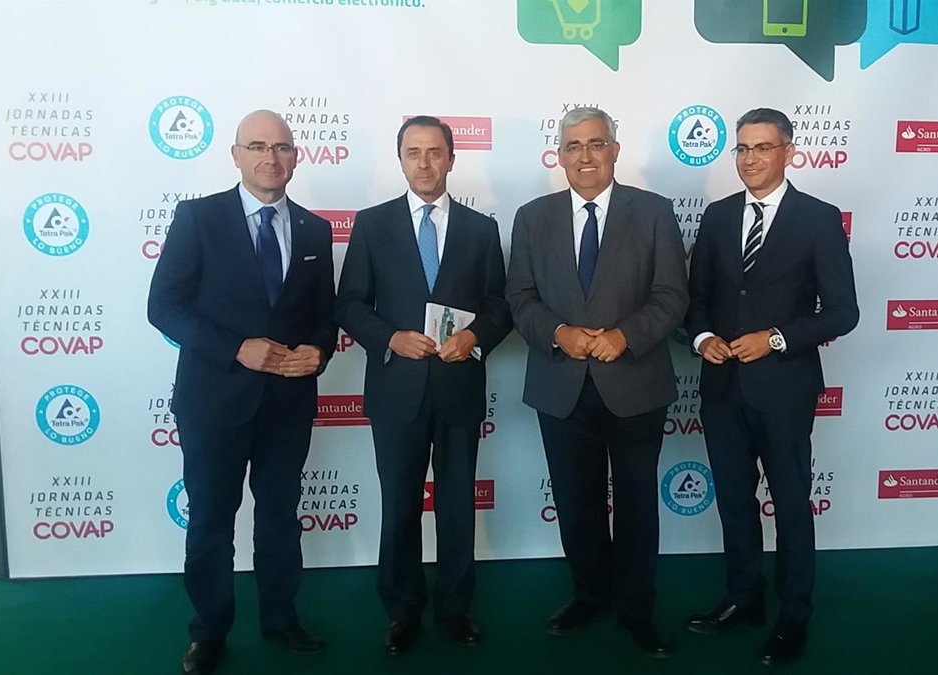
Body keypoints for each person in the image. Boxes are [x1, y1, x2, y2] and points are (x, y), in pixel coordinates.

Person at [147, 110, 337, 675]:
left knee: (279, 517)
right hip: (213, 403)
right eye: (257, 146)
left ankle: (281, 619)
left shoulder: (314, 229)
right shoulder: (198, 217)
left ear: (296, 157)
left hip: (287, 404)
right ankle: (208, 632)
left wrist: (319, 350)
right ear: (235, 155)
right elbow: (164, 306)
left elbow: (323, 315)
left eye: (281, 147)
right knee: (211, 520)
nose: (270, 158)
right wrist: (237, 348)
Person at [505, 106, 689, 658]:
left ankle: (636, 610)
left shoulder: (653, 211)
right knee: (575, 500)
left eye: (595, 143)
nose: (584, 155)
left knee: (636, 503)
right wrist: (558, 332)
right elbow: (519, 298)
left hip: (635, 382)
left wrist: (625, 336)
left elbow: (673, 296)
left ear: (614, 149)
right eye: (573, 146)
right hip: (561, 385)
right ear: (559, 155)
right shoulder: (532, 217)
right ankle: (589, 595)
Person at [684, 107, 859, 665]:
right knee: (734, 500)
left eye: (762, 147)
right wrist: (703, 338)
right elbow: (696, 301)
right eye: (742, 148)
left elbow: (843, 312)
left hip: (784, 390)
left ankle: (793, 613)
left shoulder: (819, 219)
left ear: (789, 152)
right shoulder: (717, 216)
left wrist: (776, 339)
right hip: (721, 386)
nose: (750, 158)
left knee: (789, 502)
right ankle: (744, 597)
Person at [336, 115, 512, 654]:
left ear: (452, 159)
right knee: (400, 506)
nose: (425, 163)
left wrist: (474, 337)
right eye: (414, 152)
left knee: (457, 506)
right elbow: (350, 304)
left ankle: (455, 609)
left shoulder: (481, 229)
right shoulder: (372, 224)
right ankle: (402, 609)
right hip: (397, 391)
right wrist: (390, 338)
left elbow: (500, 307)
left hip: (458, 388)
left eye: (435, 152)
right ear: (401, 160)